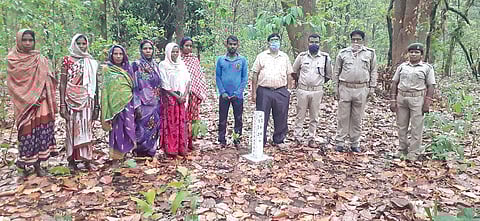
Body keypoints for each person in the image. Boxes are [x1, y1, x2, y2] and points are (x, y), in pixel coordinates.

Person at [7, 29, 59, 176]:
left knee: (41, 131)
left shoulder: (40, 59)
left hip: (42, 101)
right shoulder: (13, 59)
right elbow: (14, 85)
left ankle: (37, 165)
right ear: (19, 41)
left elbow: (48, 77)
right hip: (25, 105)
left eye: (31, 40)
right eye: (25, 40)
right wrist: (30, 99)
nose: (28, 43)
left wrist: (42, 94)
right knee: (26, 132)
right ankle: (22, 166)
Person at [389, 43, 435, 160]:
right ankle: (402, 149)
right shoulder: (402, 67)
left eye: (416, 52)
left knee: (416, 127)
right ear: (408, 53)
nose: (413, 54)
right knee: (401, 125)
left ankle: (413, 152)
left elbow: (431, 86)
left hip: (417, 99)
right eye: (411, 52)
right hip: (402, 98)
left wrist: (427, 103)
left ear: (421, 55)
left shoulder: (427, 68)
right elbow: (394, 83)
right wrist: (393, 100)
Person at [333, 30, 377, 153]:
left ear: (363, 41)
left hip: (361, 88)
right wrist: (335, 88)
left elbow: (373, 70)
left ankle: (355, 143)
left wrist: (372, 87)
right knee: (343, 117)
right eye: (354, 40)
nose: (356, 42)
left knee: (357, 118)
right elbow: (336, 71)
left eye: (358, 39)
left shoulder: (370, 54)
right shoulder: (343, 53)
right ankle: (340, 142)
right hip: (345, 87)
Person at [60, 34, 99, 171]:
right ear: (74, 44)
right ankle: (71, 160)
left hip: (87, 99)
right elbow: (63, 83)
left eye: (84, 43)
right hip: (70, 99)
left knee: (86, 129)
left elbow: (95, 85)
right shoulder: (67, 60)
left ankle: (87, 160)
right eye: (79, 44)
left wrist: (97, 105)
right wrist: (62, 105)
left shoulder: (90, 61)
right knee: (71, 129)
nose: (82, 46)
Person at [251, 33, 294, 148]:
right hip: (264, 91)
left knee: (281, 116)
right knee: (262, 116)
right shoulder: (261, 56)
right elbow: (255, 74)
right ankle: (261, 141)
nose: (275, 42)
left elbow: (290, 74)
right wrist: (253, 92)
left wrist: (289, 90)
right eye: (272, 40)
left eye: (277, 40)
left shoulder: (284, 57)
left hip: (281, 91)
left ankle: (278, 140)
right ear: (268, 42)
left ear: (280, 42)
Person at [292, 34, 332, 148]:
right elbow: (294, 72)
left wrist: (317, 84)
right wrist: (300, 82)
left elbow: (328, 75)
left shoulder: (325, 58)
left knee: (314, 116)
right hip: (303, 90)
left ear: (320, 43)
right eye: (311, 42)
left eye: (316, 42)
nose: (314, 44)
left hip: (317, 91)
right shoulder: (302, 56)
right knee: (300, 115)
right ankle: (297, 138)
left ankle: (311, 138)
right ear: (308, 43)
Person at [100, 45, 135, 166]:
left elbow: (133, 87)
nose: (118, 56)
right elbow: (105, 90)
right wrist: (107, 107)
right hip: (113, 106)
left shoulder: (128, 68)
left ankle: (125, 154)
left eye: (121, 54)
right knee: (116, 130)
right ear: (111, 55)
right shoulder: (107, 69)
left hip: (128, 103)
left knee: (128, 128)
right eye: (116, 54)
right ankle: (115, 157)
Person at [215, 35, 248, 147]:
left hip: (237, 96)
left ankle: (237, 139)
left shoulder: (242, 60)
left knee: (238, 118)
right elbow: (218, 77)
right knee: (222, 118)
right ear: (226, 45)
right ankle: (221, 140)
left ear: (237, 45)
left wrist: (237, 93)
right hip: (224, 95)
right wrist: (222, 92)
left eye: (234, 44)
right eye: (230, 44)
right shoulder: (221, 60)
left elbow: (244, 78)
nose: (232, 46)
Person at [131, 40, 162, 157]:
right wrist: (136, 104)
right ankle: (139, 152)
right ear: (141, 50)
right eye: (145, 48)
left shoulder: (156, 65)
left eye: (150, 48)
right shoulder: (136, 65)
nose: (148, 51)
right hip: (142, 104)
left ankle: (151, 151)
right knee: (141, 128)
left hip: (156, 103)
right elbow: (134, 85)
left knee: (154, 128)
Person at [159, 43, 191, 157]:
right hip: (170, 98)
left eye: (177, 51)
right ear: (168, 52)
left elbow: (188, 81)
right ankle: (170, 149)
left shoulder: (181, 64)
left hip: (182, 98)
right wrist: (176, 97)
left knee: (181, 123)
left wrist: (184, 95)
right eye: (173, 51)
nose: (175, 54)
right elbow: (164, 84)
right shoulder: (163, 65)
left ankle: (181, 148)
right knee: (171, 123)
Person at [180, 37, 207, 150]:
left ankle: (191, 141)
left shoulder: (195, 60)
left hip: (194, 94)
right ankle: (182, 141)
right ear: (182, 47)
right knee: (183, 117)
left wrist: (200, 90)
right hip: (182, 94)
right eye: (186, 45)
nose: (189, 48)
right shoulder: (178, 60)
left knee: (193, 117)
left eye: (191, 46)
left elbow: (198, 76)